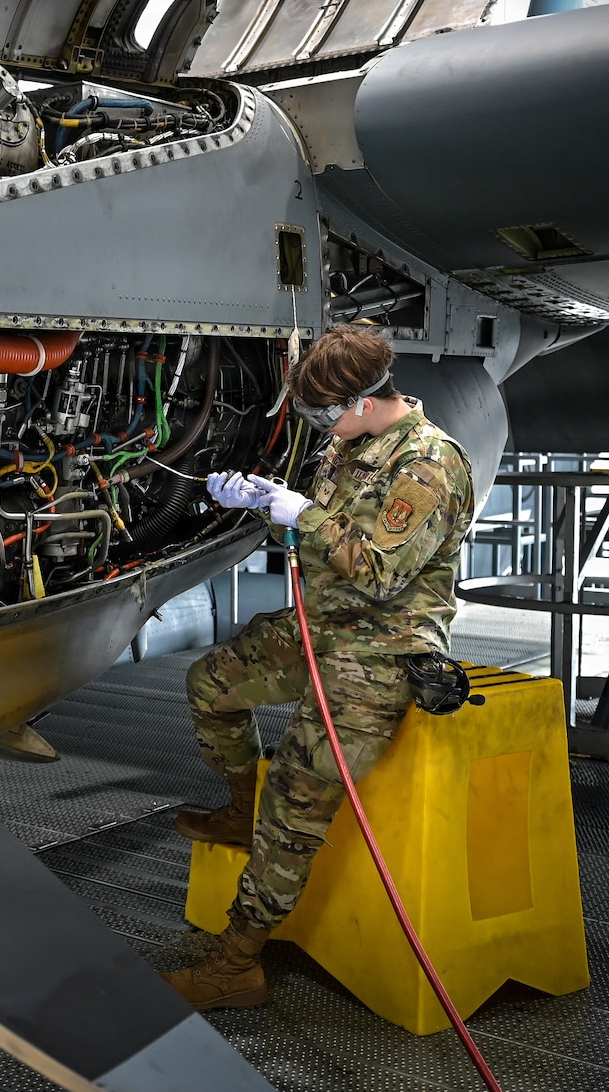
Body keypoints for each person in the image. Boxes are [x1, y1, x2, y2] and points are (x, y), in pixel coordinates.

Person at [160, 324, 476, 1012]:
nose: (320, 426)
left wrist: (300, 513)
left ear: (364, 401)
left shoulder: (428, 464)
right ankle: (241, 810)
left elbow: (377, 570)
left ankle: (236, 963)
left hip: (379, 652)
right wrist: (263, 503)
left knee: (295, 807)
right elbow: (322, 530)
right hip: (321, 628)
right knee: (211, 683)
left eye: (325, 413)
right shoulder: (353, 443)